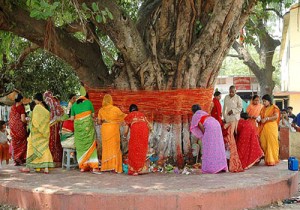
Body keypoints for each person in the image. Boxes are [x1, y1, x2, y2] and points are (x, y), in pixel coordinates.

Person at [21, 93, 54, 173]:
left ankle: (28, 167)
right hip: (44, 132)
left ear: (36, 99)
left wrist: (30, 119)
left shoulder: (37, 107)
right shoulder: (46, 108)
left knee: (31, 148)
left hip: (36, 133)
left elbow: (35, 121)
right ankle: (45, 167)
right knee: (44, 149)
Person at [190, 104, 228, 174]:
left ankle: (211, 168)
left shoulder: (196, 115)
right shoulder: (203, 113)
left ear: (193, 111)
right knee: (218, 146)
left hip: (209, 127)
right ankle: (221, 166)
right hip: (216, 125)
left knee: (209, 148)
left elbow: (200, 124)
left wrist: (204, 134)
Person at [70, 87, 99, 173]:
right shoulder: (89, 103)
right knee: (91, 146)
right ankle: (94, 166)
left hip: (79, 131)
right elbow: (93, 115)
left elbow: (71, 119)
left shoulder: (74, 105)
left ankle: (83, 166)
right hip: (88, 130)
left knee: (81, 147)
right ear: (86, 96)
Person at [98, 94, 126, 173]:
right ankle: (115, 167)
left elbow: (99, 122)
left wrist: (105, 121)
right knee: (115, 147)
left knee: (106, 147)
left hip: (105, 129)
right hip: (113, 129)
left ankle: (107, 167)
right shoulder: (115, 109)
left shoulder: (101, 110)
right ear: (111, 100)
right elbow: (123, 116)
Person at [123, 104, 150, 176]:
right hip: (145, 132)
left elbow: (125, 131)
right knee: (141, 149)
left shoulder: (129, 116)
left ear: (130, 111)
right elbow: (149, 126)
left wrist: (124, 136)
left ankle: (135, 170)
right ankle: (141, 169)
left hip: (136, 132)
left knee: (133, 149)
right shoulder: (142, 115)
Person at [222, 85, 243, 172]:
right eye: (230, 91)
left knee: (232, 135)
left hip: (235, 119)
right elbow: (224, 108)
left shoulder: (238, 98)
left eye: (232, 92)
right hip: (227, 119)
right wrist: (224, 117)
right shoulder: (226, 97)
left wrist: (233, 111)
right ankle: (228, 155)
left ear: (235, 91)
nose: (231, 93)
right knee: (227, 137)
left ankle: (234, 154)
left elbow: (240, 108)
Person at [258, 94, 280, 166]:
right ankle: (267, 159)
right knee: (263, 143)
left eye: (265, 101)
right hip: (263, 128)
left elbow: (276, 116)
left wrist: (267, 118)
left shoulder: (274, 108)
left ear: (269, 101)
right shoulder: (263, 108)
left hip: (271, 128)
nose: (263, 103)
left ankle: (271, 160)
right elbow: (261, 116)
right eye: (263, 101)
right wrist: (259, 119)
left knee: (271, 143)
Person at [44, 91, 64, 167]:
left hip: (50, 125)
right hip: (57, 124)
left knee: (51, 142)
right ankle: (58, 160)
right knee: (56, 142)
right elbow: (61, 113)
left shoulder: (48, 101)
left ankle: (51, 160)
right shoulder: (56, 102)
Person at [8, 93, 27, 166]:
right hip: (20, 129)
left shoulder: (12, 107)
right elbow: (22, 119)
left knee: (15, 144)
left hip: (12, 129)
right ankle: (20, 158)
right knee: (23, 143)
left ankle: (16, 159)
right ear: (21, 99)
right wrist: (27, 121)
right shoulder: (21, 107)